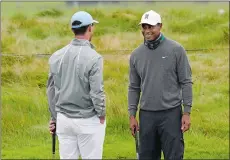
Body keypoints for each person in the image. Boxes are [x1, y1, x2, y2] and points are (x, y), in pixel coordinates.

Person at [128, 10, 193, 160]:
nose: (147, 30)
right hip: (146, 115)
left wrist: (187, 112)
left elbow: (186, 82)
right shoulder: (136, 55)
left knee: (174, 156)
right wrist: (132, 115)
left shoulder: (176, 50)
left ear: (160, 26)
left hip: (171, 114)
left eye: (151, 27)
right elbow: (134, 87)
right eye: (144, 27)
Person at [46, 11, 106, 159]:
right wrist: (102, 114)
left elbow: (51, 90)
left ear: (73, 29)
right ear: (90, 28)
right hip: (88, 119)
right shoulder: (94, 57)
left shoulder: (56, 56)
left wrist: (55, 116)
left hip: (64, 120)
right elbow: (97, 92)